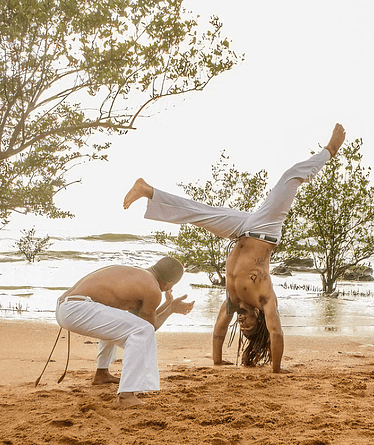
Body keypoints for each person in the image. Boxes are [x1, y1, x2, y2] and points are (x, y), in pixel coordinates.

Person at [123, 124, 346, 373]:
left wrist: (217, 362)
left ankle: (148, 191)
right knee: (290, 177)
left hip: (241, 230)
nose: (241, 322)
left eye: (242, 327)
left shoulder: (233, 300)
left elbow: (219, 330)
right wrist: (277, 369)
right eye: (248, 324)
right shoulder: (265, 298)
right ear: (258, 319)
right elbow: (276, 332)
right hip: (266, 228)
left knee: (198, 213)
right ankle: (329, 150)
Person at [55, 257, 194, 406]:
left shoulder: (139, 276)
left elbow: (135, 323)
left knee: (122, 323)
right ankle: (126, 395)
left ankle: (102, 373)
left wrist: (168, 306)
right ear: (169, 284)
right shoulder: (153, 289)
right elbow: (148, 328)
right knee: (142, 332)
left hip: (65, 306)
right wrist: (171, 309)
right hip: (77, 309)